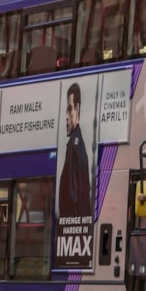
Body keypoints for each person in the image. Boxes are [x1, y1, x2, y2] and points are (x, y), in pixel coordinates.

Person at [58, 83, 91, 219]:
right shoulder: (79, 143)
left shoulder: (74, 144)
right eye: (66, 110)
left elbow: (72, 196)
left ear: (77, 109)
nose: (66, 116)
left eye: (69, 109)